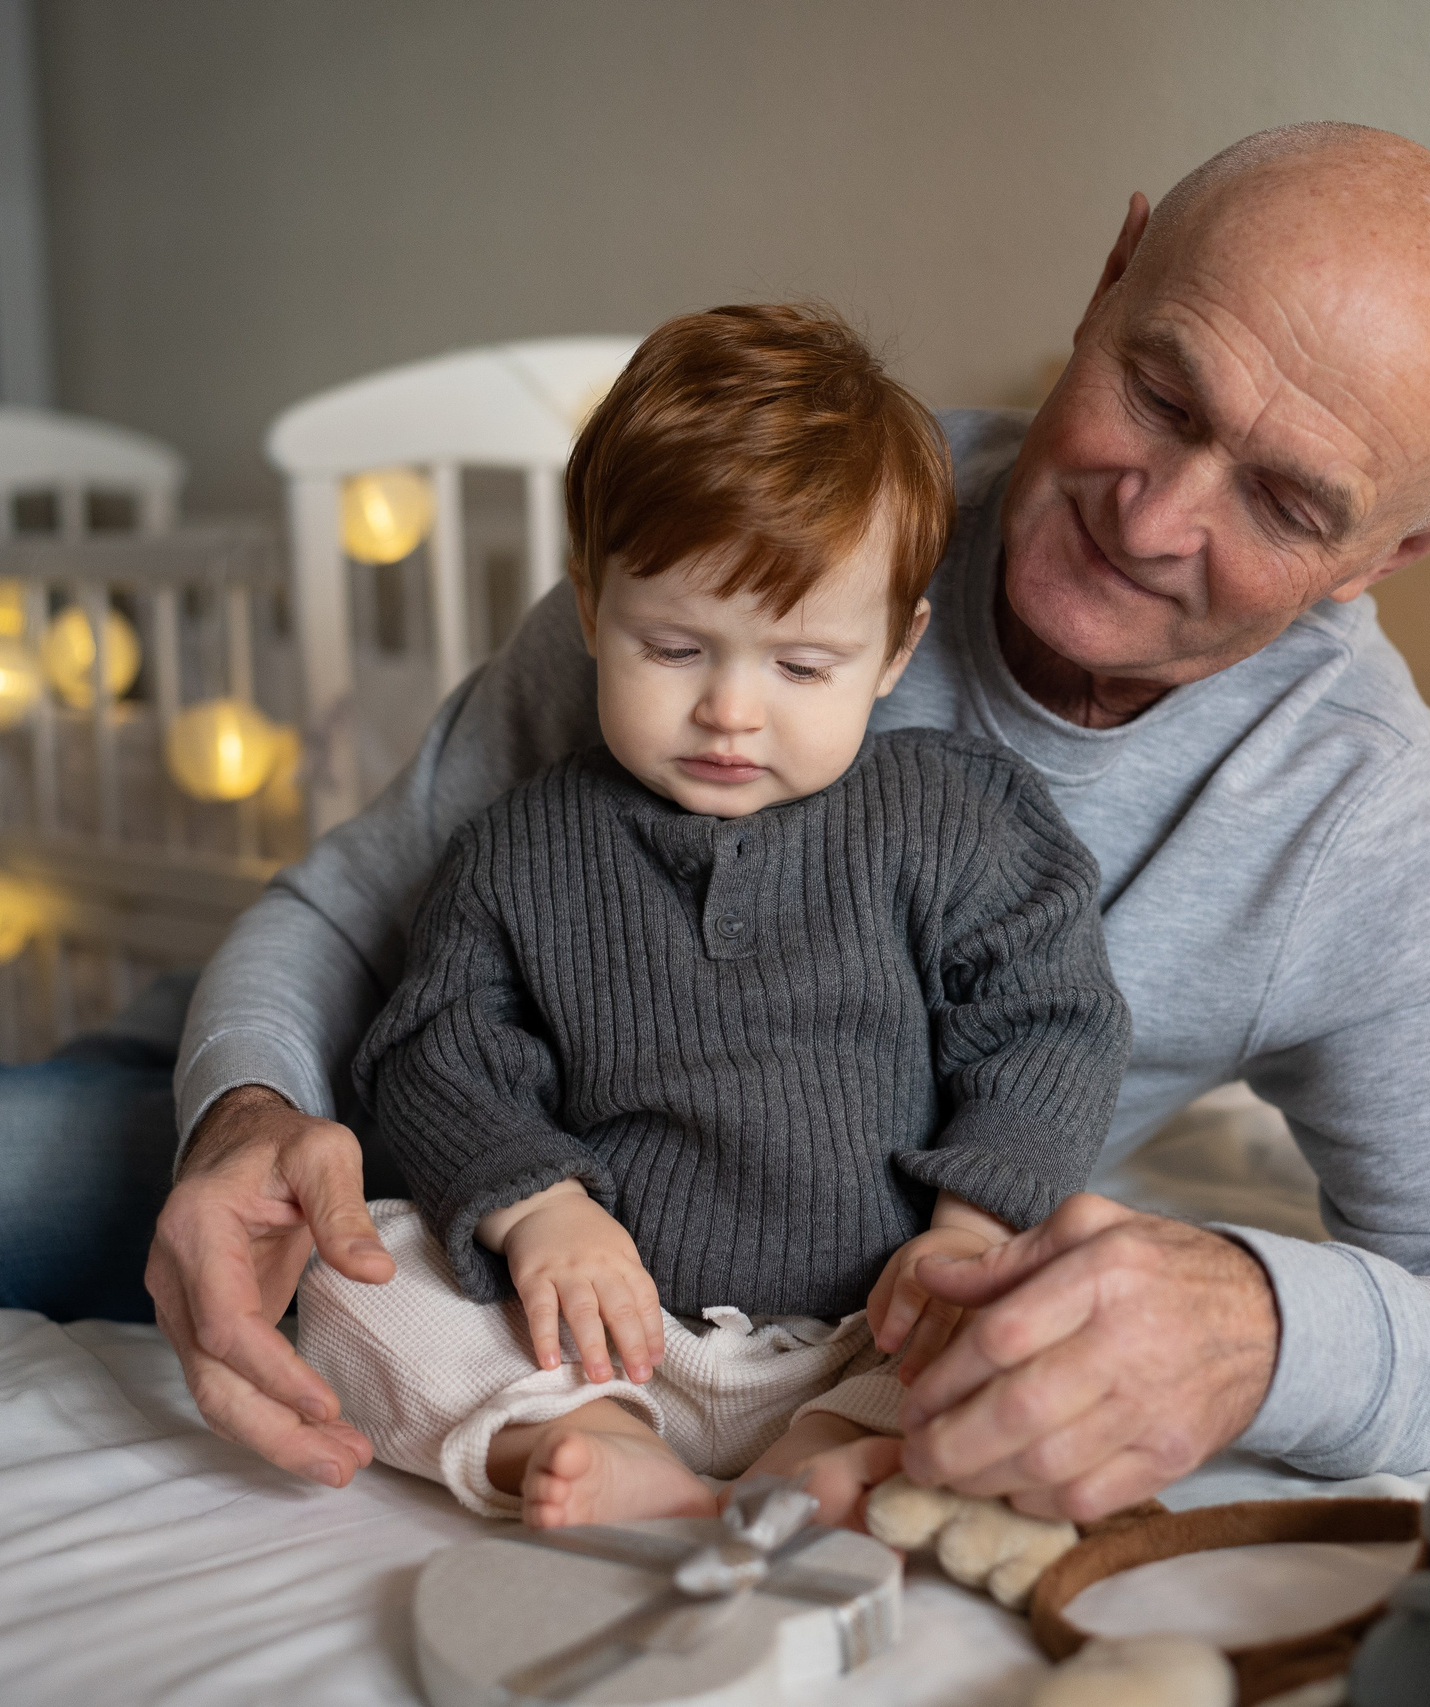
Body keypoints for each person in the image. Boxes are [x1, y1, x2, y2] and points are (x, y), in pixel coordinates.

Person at [0, 121, 1430, 1521]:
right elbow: (356, 915)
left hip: (821, 1275)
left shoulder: (1357, 817)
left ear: (1393, 556)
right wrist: (246, 1112)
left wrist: (1257, 1328)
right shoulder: (774, 525)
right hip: (480, 1106)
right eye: (1163, 394)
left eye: (1283, 499)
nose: (1155, 515)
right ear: (1107, 276)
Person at [295, 303, 1127, 1529]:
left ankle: (838, 1453)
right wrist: (541, 1210)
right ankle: (593, 1448)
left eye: (801, 668)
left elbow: (1049, 1027)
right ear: (589, 612)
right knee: (351, 1278)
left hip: (872, 1330)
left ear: (894, 654)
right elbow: (438, 1050)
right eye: (675, 648)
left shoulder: (953, 818)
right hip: (601, 1334)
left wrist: (965, 1233)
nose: (731, 712)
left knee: (1064, 1317)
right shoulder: (524, 845)